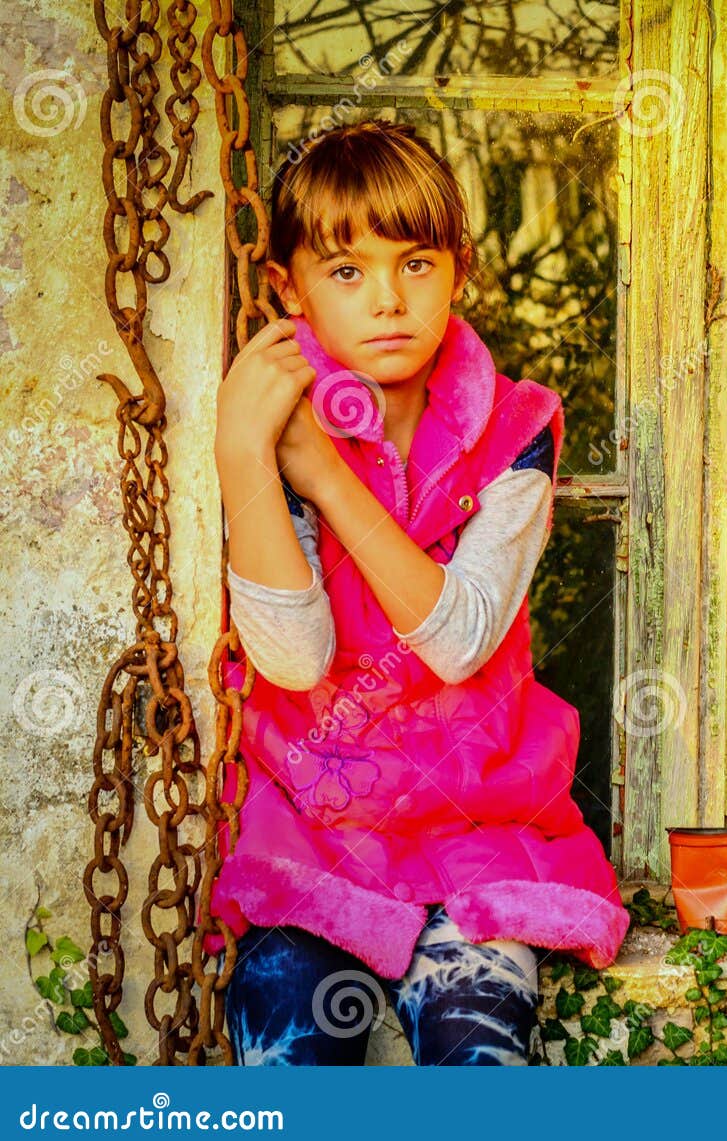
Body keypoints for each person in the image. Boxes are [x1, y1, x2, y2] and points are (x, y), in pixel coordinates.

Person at [206, 119, 628, 1065]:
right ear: (289, 287)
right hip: (317, 826)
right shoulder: (275, 422)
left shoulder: (516, 431)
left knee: (479, 1050)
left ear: (459, 271)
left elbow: (459, 637)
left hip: (481, 823)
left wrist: (326, 477)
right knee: (288, 1045)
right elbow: (295, 658)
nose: (388, 300)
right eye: (346, 271)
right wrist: (245, 453)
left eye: (417, 264)